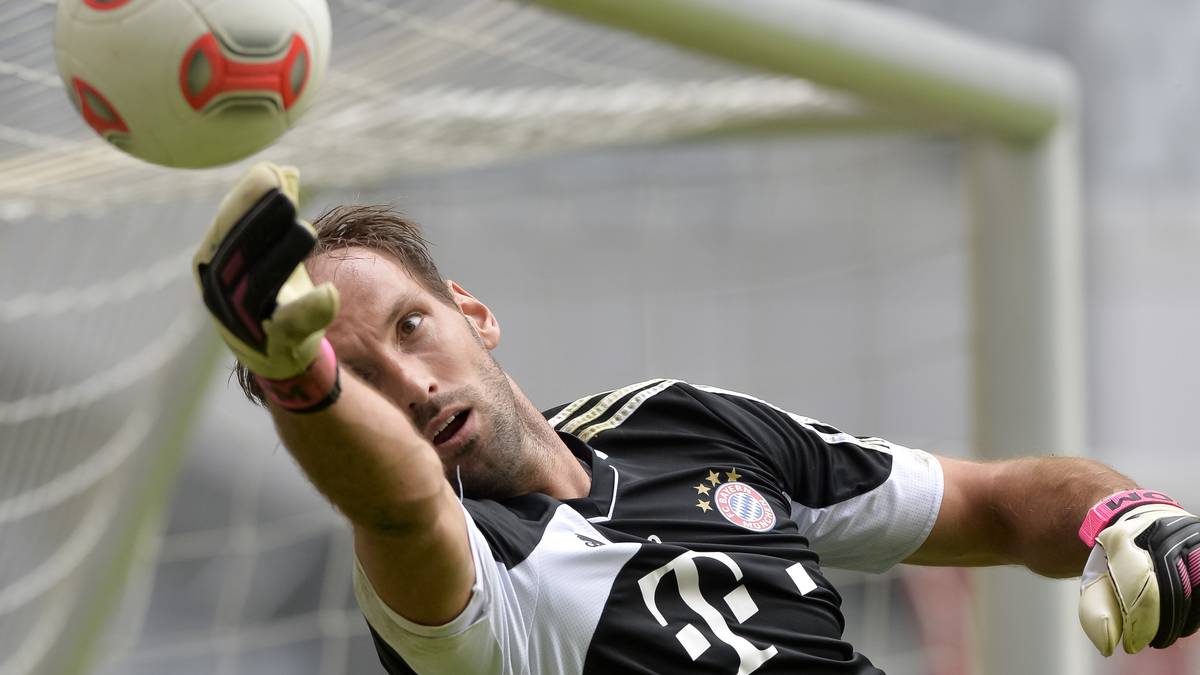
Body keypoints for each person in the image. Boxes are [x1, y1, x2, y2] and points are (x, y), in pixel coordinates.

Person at [193, 163, 1200, 674]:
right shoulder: (466, 584)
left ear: (475, 313)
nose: (410, 387)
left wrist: (1125, 518)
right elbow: (402, 508)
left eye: (412, 328)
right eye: (359, 382)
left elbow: (991, 502)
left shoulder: (678, 424)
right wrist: (302, 384)